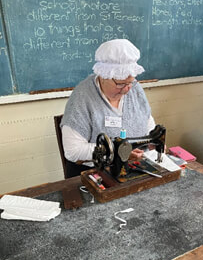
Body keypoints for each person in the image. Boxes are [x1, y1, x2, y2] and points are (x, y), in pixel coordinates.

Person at [60, 39, 156, 178]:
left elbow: (147, 123)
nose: (127, 89)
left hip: (131, 168)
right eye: (121, 84)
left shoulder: (134, 88)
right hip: (94, 173)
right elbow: (73, 151)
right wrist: (116, 151)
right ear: (104, 75)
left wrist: (153, 142)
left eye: (130, 82)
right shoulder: (82, 97)